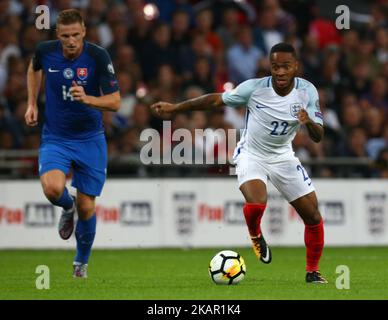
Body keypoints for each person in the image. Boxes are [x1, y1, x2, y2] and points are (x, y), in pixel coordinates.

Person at [151, 43, 327, 283]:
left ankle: (312, 272)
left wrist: (308, 122)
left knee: (313, 216)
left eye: (286, 66)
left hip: (284, 156)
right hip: (251, 153)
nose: (281, 72)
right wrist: (176, 107)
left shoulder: (307, 91)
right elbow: (215, 100)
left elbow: (318, 136)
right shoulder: (255, 88)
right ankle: (255, 234)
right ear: (270, 66)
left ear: (296, 66)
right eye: (275, 66)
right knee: (257, 202)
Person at [25, 9, 120, 278]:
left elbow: (114, 101)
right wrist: (32, 103)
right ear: (58, 35)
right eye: (65, 36)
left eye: (76, 35)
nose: (71, 41)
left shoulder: (98, 56)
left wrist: (88, 98)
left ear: (84, 32)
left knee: (88, 206)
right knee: (53, 188)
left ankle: (81, 263)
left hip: (90, 139)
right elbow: (33, 68)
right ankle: (68, 207)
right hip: (56, 137)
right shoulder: (45, 51)